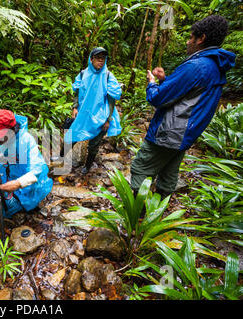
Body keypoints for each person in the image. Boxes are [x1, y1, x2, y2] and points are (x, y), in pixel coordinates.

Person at [130, 15, 236, 200]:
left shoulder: (197, 65)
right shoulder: (214, 65)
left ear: (201, 39)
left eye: (190, 37)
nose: (187, 42)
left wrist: (152, 83)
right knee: (168, 175)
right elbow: (190, 93)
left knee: (140, 168)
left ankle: (138, 217)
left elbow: (158, 98)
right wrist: (165, 80)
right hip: (185, 133)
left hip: (169, 132)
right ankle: (157, 216)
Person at [52, 47, 122, 174]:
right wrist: (75, 106)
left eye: (103, 59)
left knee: (94, 144)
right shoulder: (84, 74)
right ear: (91, 59)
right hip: (83, 113)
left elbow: (112, 100)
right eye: (98, 58)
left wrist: (108, 120)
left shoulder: (107, 76)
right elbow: (77, 90)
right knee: (71, 136)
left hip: (101, 115)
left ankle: (88, 166)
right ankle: (60, 157)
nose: (101, 61)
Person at [0, 109, 53, 218]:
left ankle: (24, 204)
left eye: (1, 136)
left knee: (31, 191)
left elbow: (37, 169)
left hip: (21, 180)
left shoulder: (25, 140)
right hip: (2, 179)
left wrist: (18, 183)